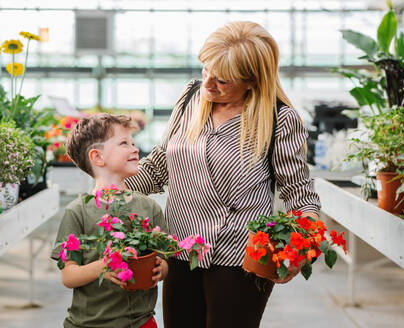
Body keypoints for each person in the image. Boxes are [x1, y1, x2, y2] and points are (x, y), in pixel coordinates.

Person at [125, 21, 321, 327]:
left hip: (240, 259)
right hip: (181, 250)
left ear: (253, 81)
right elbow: (159, 165)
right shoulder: (191, 97)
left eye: (223, 81)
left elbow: (298, 192)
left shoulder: (278, 118)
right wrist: (109, 190)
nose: (208, 85)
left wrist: (302, 248)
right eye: (205, 70)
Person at [51, 113, 168, 328]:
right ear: (97, 157)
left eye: (133, 142)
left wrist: (162, 269)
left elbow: (163, 258)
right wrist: (104, 266)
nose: (134, 148)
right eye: (124, 143)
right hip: (88, 323)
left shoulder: (149, 208)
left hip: (141, 322)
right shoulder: (78, 212)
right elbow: (68, 275)